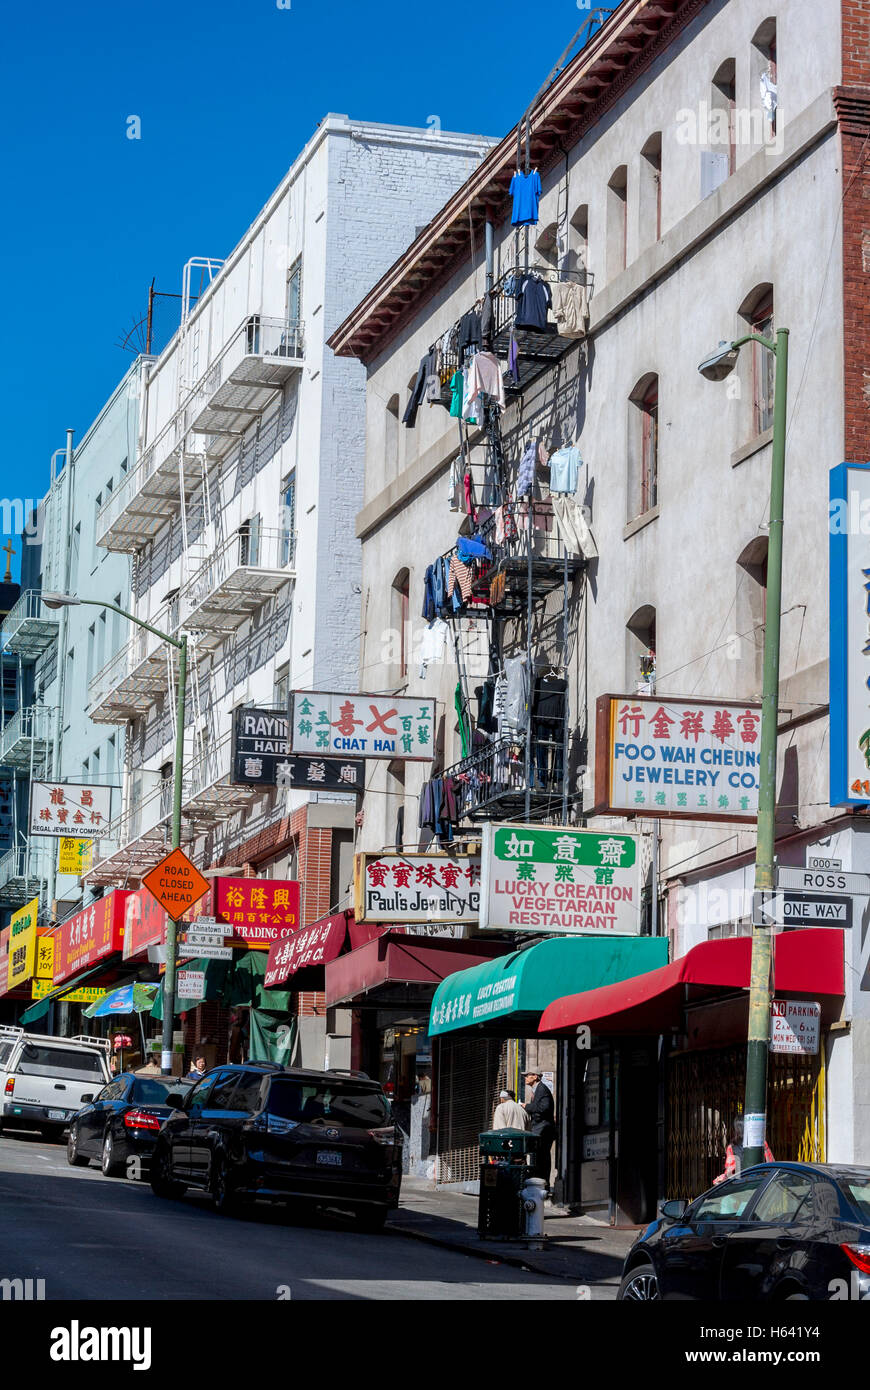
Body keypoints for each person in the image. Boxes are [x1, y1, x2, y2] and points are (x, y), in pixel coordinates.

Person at [713, 1117, 774, 1184]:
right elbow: (771, 1163)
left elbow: (730, 1171)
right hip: (759, 1182)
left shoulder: (731, 1147)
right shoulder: (761, 1143)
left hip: (742, 1184)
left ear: (736, 1129)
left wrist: (722, 1178)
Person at [523, 1071, 556, 1184]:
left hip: (544, 1129)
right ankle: (539, 1181)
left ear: (535, 1077)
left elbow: (544, 1107)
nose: (525, 1078)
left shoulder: (542, 1089)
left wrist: (526, 1106)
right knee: (538, 1157)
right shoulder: (537, 1089)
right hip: (539, 1128)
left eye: (527, 1075)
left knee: (542, 1157)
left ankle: (542, 1183)